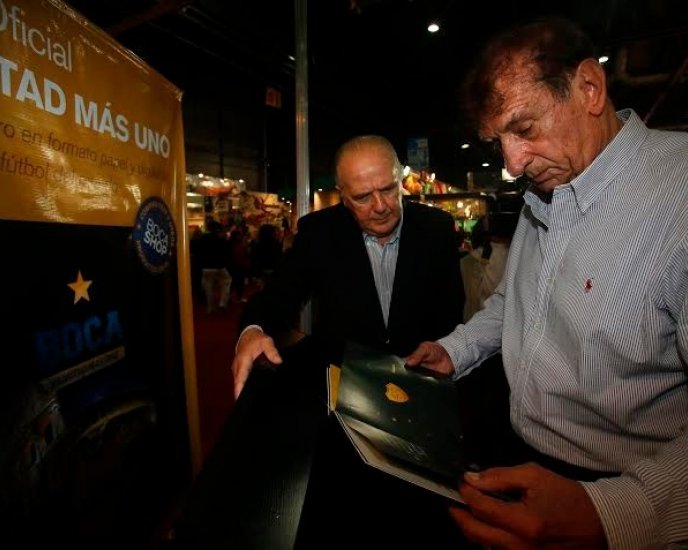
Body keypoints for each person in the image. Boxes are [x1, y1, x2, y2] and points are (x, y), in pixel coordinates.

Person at [405, 16, 688, 549]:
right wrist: (455, 349)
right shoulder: (544, 193)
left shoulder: (680, 198)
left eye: (525, 129)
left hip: (625, 492)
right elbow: (515, 302)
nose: (511, 164)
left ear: (589, 87)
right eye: (499, 141)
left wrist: (611, 512)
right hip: (520, 455)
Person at [230, 134, 465, 399]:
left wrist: (444, 350)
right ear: (343, 197)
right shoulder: (318, 232)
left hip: (422, 382)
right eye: (363, 197)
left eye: (388, 189)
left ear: (400, 180)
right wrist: (252, 331)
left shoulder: (436, 227)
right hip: (345, 387)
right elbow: (279, 295)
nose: (380, 207)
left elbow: (451, 307)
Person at [194, 220, 232, 313]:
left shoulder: (202, 239)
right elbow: (226, 252)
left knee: (208, 288)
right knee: (226, 281)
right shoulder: (221, 239)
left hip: (206, 266)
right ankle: (222, 302)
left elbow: (198, 252)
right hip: (219, 265)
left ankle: (210, 307)